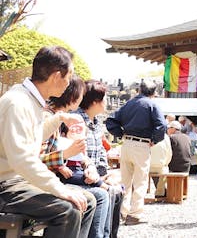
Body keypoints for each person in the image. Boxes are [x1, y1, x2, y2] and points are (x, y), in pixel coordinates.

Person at [0, 46, 96, 238]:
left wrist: (59, 119)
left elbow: (31, 136)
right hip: (6, 185)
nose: (69, 82)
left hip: (16, 181)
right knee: (67, 209)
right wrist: (59, 188)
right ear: (56, 76)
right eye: (69, 76)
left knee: (88, 200)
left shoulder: (28, 100)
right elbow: (22, 158)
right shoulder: (17, 102)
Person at [47, 76, 111, 238]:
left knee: (109, 192)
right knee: (98, 195)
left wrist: (92, 169)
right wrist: (63, 161)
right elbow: (36, 158)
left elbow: (83, 154)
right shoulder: (66, 119)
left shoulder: (67, 117)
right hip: (59, 175)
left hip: (68, 171)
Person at [110, 80, 167, 225]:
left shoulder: (128, 104)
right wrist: (154, 140)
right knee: (140, 181)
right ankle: (134, 215)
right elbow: (161, 126)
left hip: (126, 143)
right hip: (142, 144)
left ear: (139, 90)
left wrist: (121, 133)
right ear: (154, 93)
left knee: (125, 181)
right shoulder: (152, 104)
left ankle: (122, 212)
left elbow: (111, 120)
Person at [76, 79, 125, 238]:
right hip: (81, 176)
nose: (106, 102)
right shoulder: (77, 121)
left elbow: (101, 155)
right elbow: (78, 157)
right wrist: (99, 180)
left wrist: (107, 174)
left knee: (117, 190)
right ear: (95, 101)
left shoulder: (96, 123)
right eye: (104, 98)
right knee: (106, 192)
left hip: (96, 175)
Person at [148, 126, 172, 197]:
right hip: (160, 166)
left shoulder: (146, 134)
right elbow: (169, 153)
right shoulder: (166, 137)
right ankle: (160, 193)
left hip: (147, 166)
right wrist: (166, 163)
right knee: (165, 170)